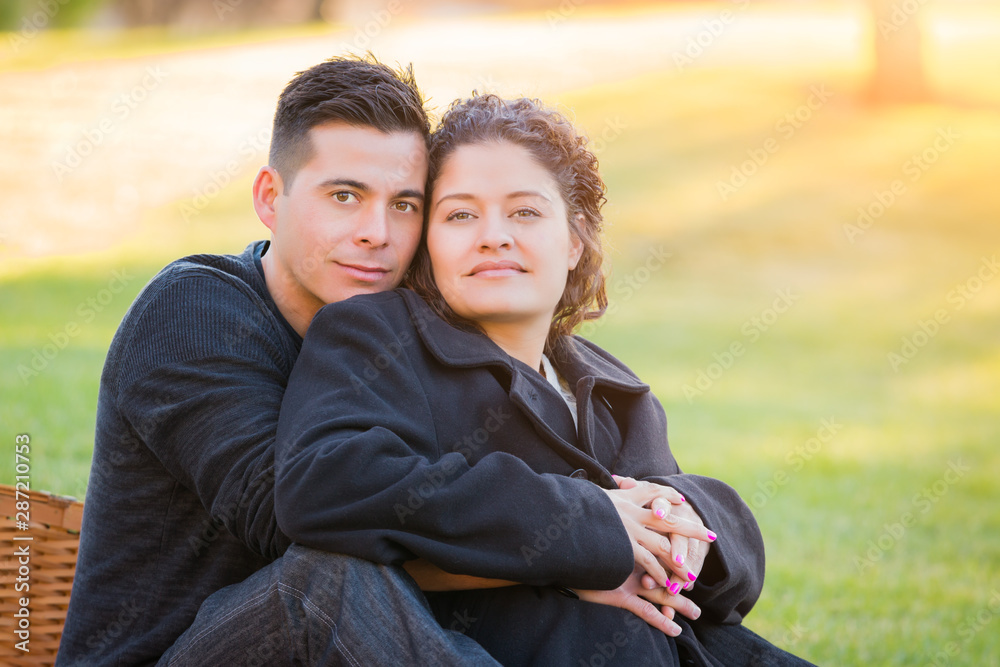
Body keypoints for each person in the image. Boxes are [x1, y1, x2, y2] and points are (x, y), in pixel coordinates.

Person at [56, 55, 713, 667]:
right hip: (184, 649)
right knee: (329, 577)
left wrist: (650, 523)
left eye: (404, 205)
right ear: (269, 198)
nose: (377, 233)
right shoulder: (193, 311)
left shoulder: (402, 329)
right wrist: (574, 551)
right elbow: (298, 523)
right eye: (345, 196)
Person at [274, 95, 815, 665]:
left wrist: (688, 519)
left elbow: (711, 593)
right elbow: (324, 480)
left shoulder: (613, 388)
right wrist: (586, 527)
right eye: (460, 214)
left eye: (525, 212)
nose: (493, 236)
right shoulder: (375, 337)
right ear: (427, 243)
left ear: (575, 239)